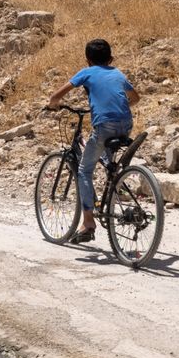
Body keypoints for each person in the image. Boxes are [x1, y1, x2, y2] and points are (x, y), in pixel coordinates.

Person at [46, 39, 139, 243]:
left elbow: (56, 95)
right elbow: (135, 97)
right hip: (126, 124)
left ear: (87, 60)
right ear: (111, 58)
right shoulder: (118, 73)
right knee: (108, 161)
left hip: (105, 126)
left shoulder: (86, 72)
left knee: (83, 170)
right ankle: (112, 190)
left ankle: (88, 223)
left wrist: (53, 104)